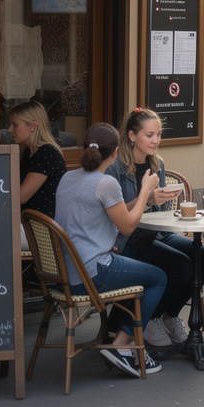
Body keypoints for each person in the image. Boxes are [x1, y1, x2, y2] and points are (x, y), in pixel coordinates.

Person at [54, 122, 166, 378]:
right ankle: (122, 344)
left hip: (64, 275)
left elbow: (118, 212)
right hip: (91, 273)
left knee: (139, 268)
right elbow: (127, 227)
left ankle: (119, 335)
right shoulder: (105, 183)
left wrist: (142, 199)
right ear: (116, 152)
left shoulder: (68, 177)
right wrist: (145, 190)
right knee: (159, 277)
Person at [106, 108, 204, 349]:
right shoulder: (114, 168)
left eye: (158, 134)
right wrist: (146, 198)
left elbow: (160, 216)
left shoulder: (157, 164)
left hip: (155, 234)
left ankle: (168, 314)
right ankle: (149, 318)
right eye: (149, 135)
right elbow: (116, 217)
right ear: (132, 136)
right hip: (125, 239)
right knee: (180, 264)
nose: (156, 140)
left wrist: (168, 203)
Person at [8, 101, 67, 219]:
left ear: (33, 126)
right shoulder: (28, 152)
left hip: (43, 229)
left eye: (15, 125)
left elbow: (21, 196)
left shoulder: (47, 153)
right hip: (29, 223)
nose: (10, 129)